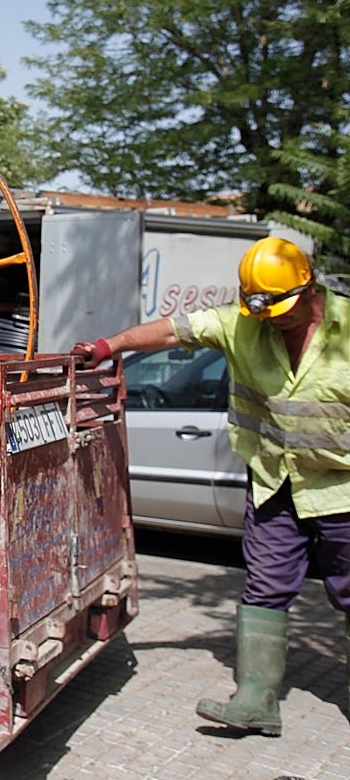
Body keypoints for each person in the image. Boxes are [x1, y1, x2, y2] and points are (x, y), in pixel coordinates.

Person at [72, 236, 350, 737]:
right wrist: (108, 346)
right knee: (265, 586)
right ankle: (256, 699)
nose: (271, 320)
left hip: (342, 488)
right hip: (273, 482)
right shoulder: (243, 322)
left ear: (310, 290)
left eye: (281, 309)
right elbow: (171, 332)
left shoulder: (346, 329)